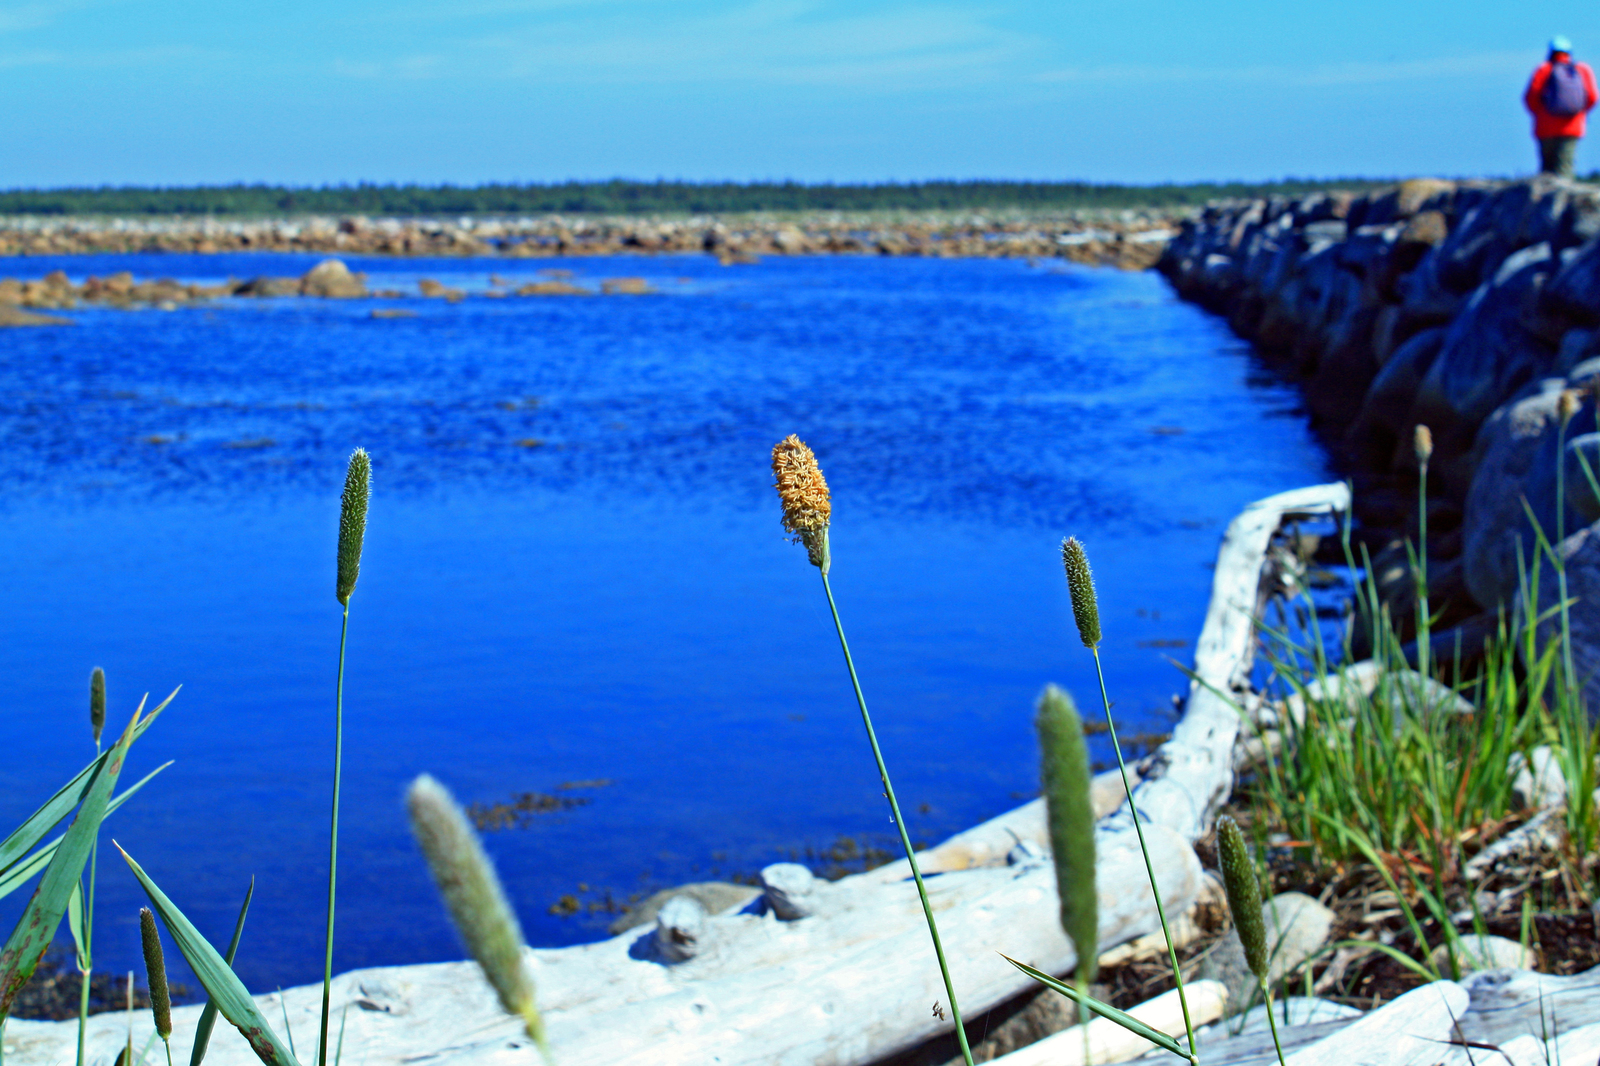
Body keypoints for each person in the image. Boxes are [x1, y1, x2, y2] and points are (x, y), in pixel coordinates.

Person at [1525, 36, 1598, 177]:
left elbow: (1530, 97)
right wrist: (1580, 113)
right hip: (1573, 126)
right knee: (1565, 169)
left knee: (1546, 171)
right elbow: (1593, 97)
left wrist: (1541, 114)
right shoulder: (1582, 70)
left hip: (1545, 128)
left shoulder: (1543, 70)